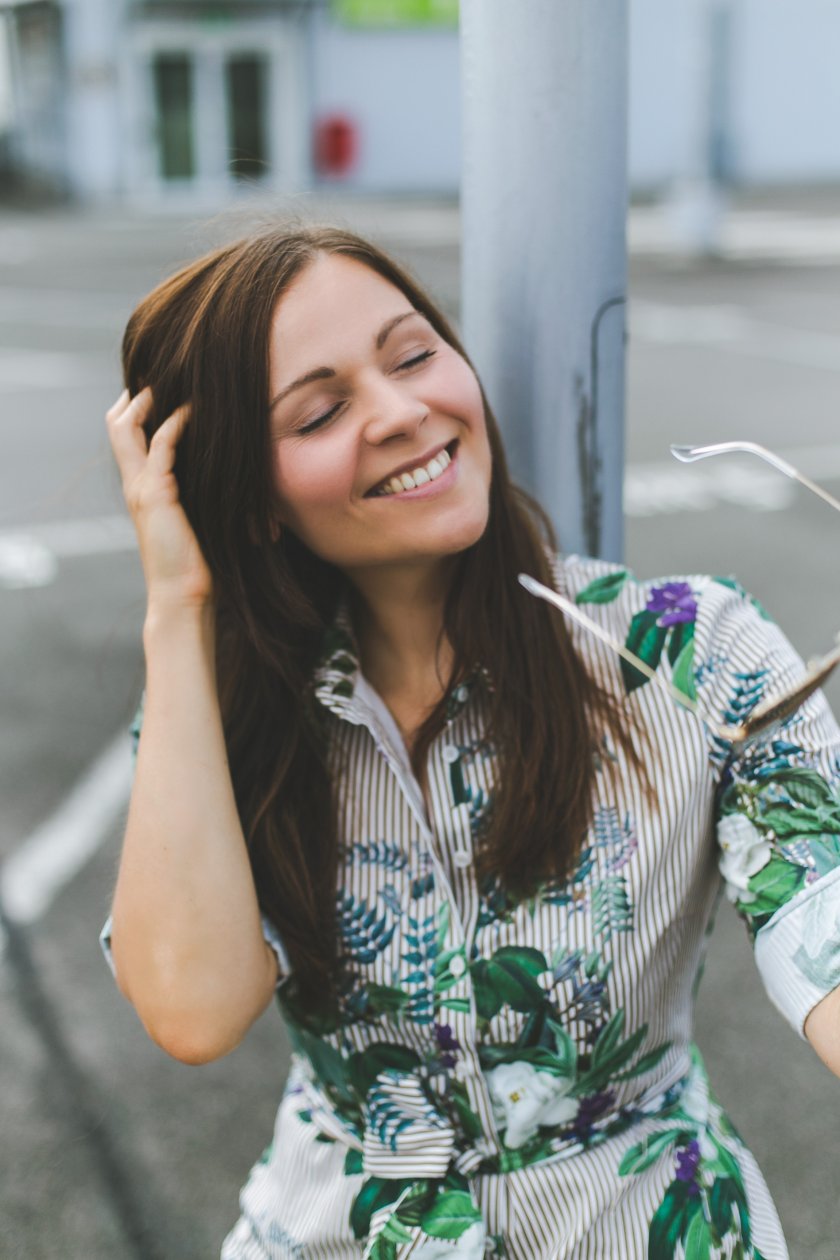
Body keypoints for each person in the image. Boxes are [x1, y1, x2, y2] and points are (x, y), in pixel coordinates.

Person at [100, 222, 840, 1260]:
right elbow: (192, 1010)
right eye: (321, 412)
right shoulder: (224, 712)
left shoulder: (690, 650)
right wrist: (178, 605)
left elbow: (825, 915)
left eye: (413, 355)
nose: (404, 412)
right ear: (250, 500)